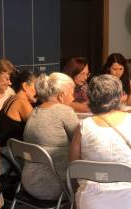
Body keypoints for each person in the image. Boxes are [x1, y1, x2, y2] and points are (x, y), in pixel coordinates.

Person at [69, 74, 131, 209]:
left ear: (91, 98)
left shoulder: (83, 125)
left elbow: (73, 164)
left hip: (91, 199)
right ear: (119, 96)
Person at [22, 72, 78, 200]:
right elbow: (81, 143)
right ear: (61, 95)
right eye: (71, 93)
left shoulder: (35, 110)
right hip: (55, 185)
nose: (73, 97)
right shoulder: (64, 111)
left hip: (29, 181)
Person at [0, 69, 37, 147]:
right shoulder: (21, 101)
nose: (38, 91)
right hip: (6, 154)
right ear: (25, 86)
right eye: (36, 86)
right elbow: (39, 128)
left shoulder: (12, 98)